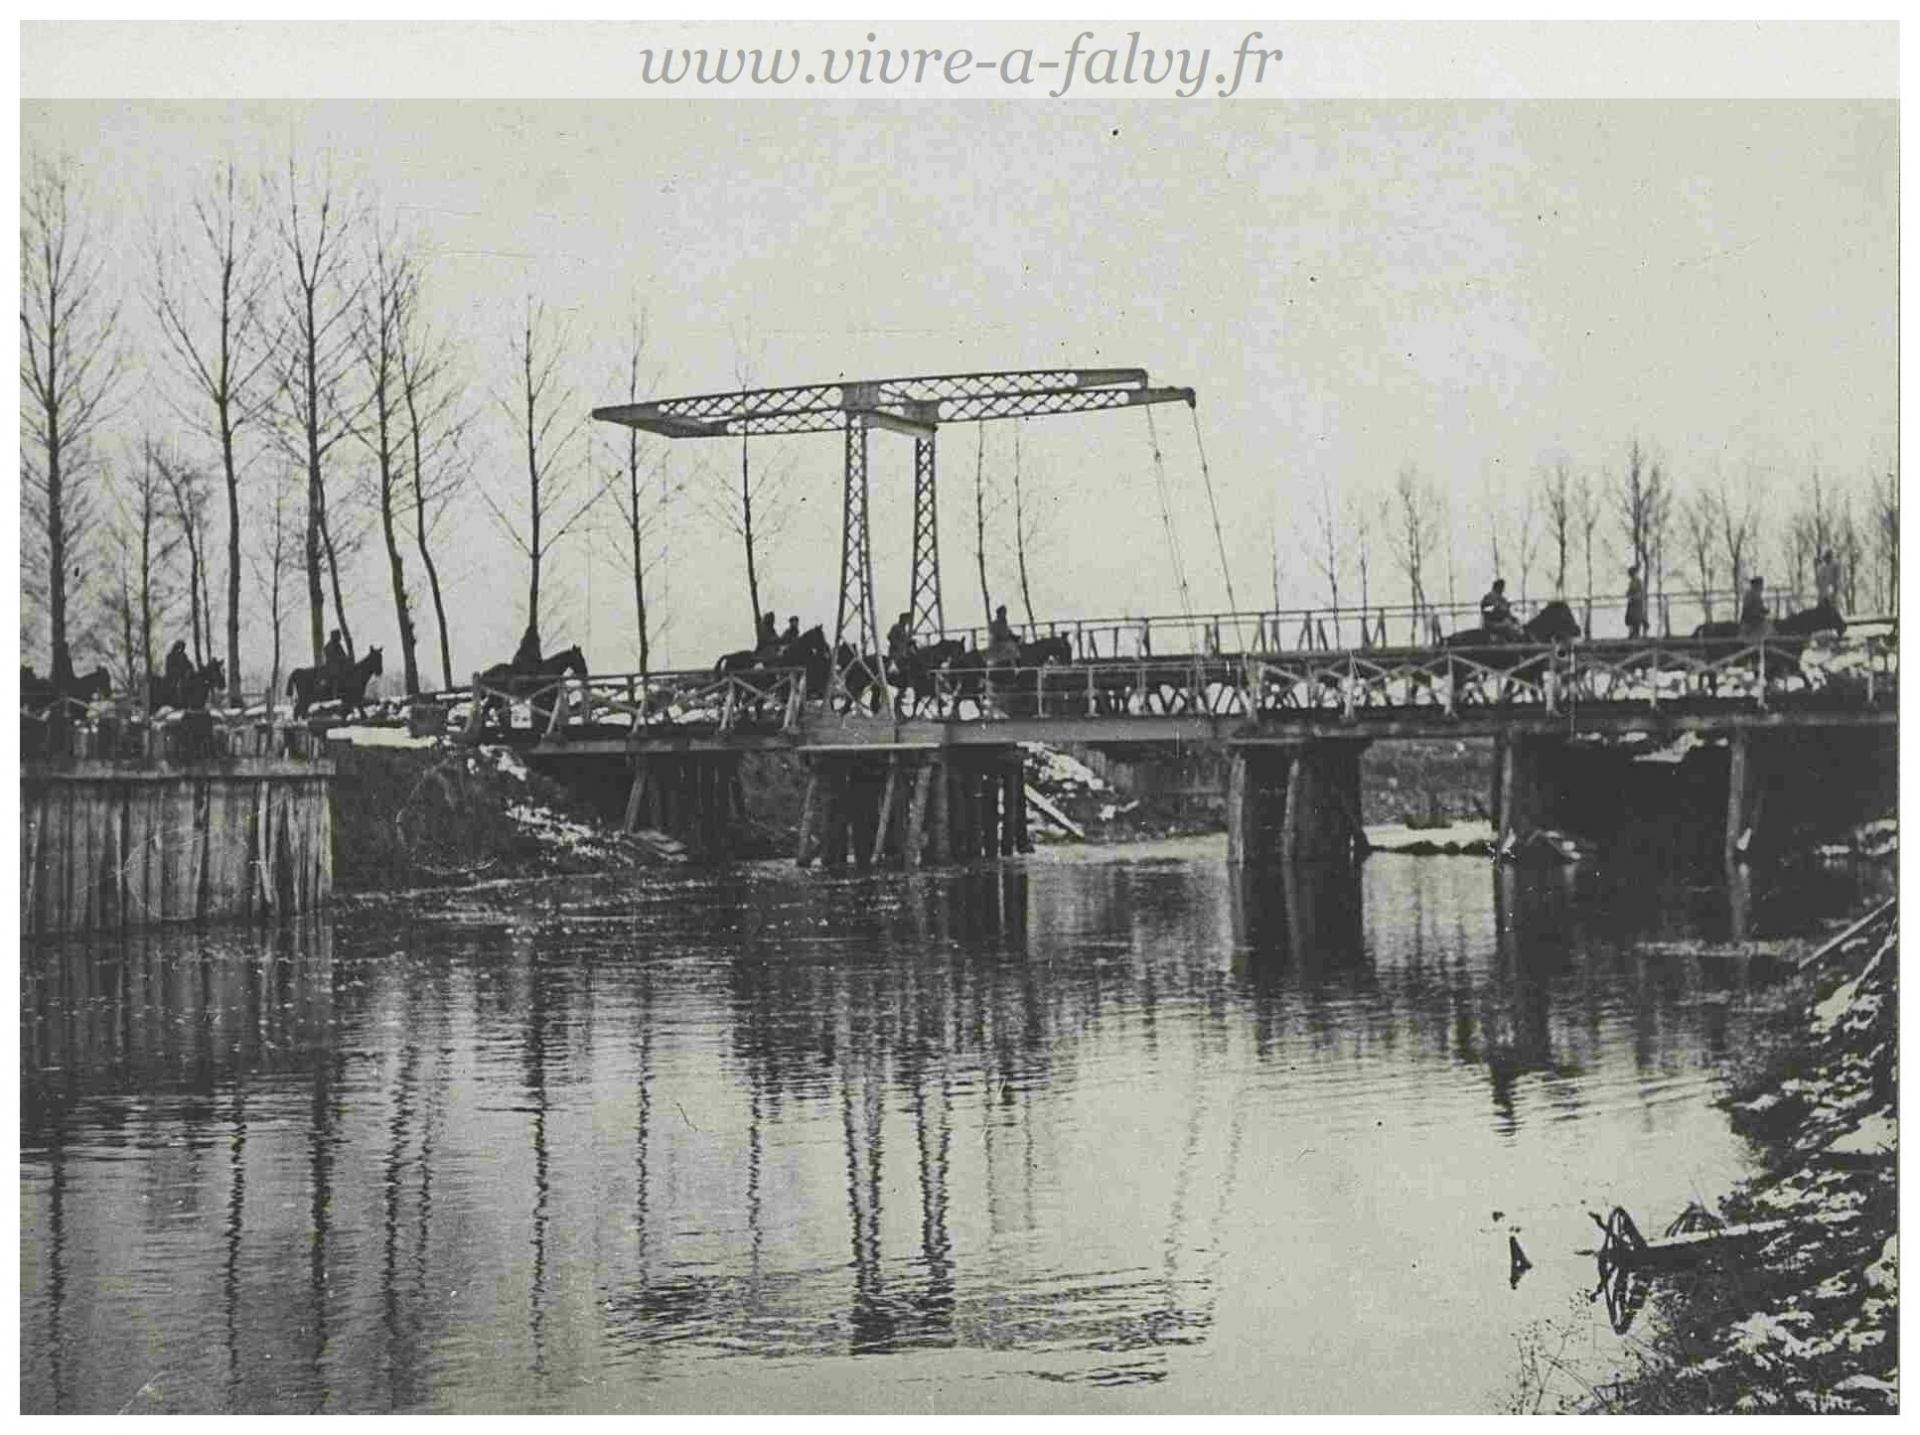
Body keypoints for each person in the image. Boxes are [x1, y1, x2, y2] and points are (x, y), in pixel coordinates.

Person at [1624, 565, 1647, 639]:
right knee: (1629, 619)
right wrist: (1628, 594)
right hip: (1632, 603)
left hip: (1637, 603)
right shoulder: (1631, 582)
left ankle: (1636, 634)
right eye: (1630, 574)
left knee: (1636, 619)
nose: (1630, 575)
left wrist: (1633, 596)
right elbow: (1629, 592)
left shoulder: (1638, 582)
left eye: (1631, 574)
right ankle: (1632, 634)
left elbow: (1640, 593)